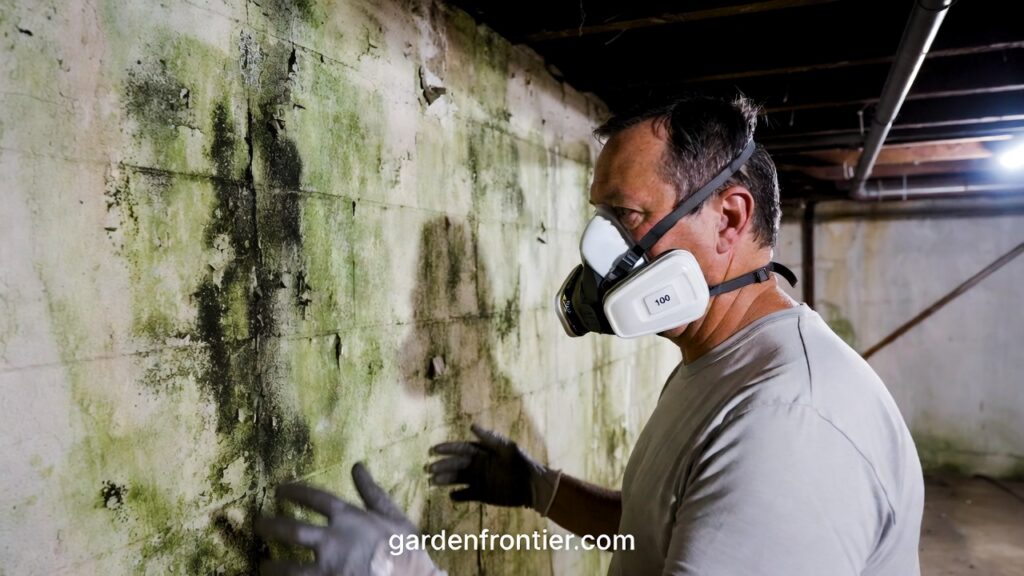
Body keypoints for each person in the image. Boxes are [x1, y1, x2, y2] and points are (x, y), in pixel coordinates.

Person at [258, 95, 925, 575]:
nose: (603, 253)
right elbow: (657, 533)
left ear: (730, 219)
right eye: (602, 219)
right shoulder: (720, 363)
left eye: (627, 216)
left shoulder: (788, 425)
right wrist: (540, 489)